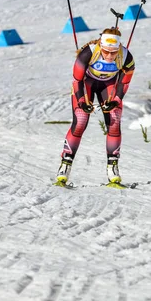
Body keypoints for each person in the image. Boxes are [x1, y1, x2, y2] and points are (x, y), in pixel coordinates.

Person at [56, 27, 135, 185]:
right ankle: (65, 166)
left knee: (114, 120)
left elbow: (124, 82)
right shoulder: (88, 53)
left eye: (114, 52)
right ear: (101, 45)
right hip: (87, 83)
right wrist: (81, 102)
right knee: (81, 119)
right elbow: (77, 81)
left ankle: (113, 168)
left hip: (110, 85)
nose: (110, 56)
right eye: (106, 51)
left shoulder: (126, 56)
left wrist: (116, 100)